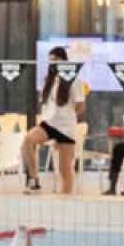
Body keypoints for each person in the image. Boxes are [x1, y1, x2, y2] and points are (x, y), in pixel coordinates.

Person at [23, 47, 86, 195]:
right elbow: (45, 104)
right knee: (28, 140)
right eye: (51, 61)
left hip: (66, 127)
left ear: (64, 61)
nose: (53, 64)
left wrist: (70, 107)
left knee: (65, 170)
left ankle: (65, 200)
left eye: (56, 60)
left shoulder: (74, 80)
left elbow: (81, 107)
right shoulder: (48, 81)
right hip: (49, 123)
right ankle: (34, 179)